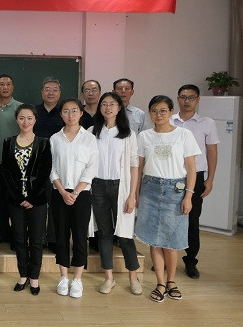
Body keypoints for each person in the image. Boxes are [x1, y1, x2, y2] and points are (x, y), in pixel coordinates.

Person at [134, 95, 200, 302]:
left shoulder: (184, 134)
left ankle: (171, 281)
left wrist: (188, 196)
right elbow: (139, 167)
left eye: (163, 110)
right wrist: (136, 193)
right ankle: (160, 282)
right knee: (154, 239)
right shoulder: (144, 136)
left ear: (171, 112)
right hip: (150, 189)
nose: (158, 114)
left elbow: (191, 169)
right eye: (154, 111)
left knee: (171, 240)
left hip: (176, 190)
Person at [89, 92, 142, 295]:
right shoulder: (92, 132)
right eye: (104, 104)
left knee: (125, 234)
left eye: (112, 104)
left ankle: (133, 277)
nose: (108, 107)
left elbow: (134, 165)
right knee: (104, 233)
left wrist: (132, 194)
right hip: (97, 186)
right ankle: (108, 278)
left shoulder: (128, 134)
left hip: (121, 187)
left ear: (119, 107)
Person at [0, 104, 51, 295]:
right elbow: (6, 172)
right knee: (19, 239)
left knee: (36, 240)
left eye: (29, 118)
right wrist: (19, 197)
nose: (25, 122)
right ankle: (23, 275)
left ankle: (34, 277)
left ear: (35, 120)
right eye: (22, 118)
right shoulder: (8, 142)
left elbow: (45, 172)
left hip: (37, 201)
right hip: (15, 200)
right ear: (17, 120)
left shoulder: (43, 143)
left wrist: (32, 198)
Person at [49, 98, 98, 299]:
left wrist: (75, 192)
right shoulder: (54, 138)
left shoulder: (90, 139)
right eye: (66, 111)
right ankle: (63, 276)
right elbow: (51, 168)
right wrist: (62, 191)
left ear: (81, 113)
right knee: (60, 235)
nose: (70, 115)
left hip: (82, 194)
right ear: (61, 114)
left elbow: (91, 168)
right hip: (59, 193)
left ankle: (77, 279)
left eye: (74, 110)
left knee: (79, 236)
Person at [171, 84, 219, 279]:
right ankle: (167, 258)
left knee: (192, 219)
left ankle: (190, 261)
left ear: (198, 99)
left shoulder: (207, 123)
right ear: (178, 98)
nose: (187, 101)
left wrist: (210, 179)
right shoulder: (169, 120)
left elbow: (212, 152)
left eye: (191, 97)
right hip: (172, 175)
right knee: (169, 218)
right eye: (183, 97)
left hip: (196, 176)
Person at [0, 74, 22, 246]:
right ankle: (0, 234)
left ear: (13, 87)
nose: (5, 87)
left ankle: (16, 237)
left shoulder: (20, 108)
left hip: (15, 163)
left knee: (14, 201)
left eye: (8, 84)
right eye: (1, 84)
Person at [33, 77, 64, 252]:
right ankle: (38, 238)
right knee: (38, 203)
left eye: (54, 89)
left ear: (60, 93)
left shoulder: (64, 112)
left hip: (59, 165)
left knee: (55, 203)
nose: (50, 93)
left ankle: (53, 239)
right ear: (41, 92)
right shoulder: (34, 111)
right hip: (36, 164)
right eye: (47, 89)